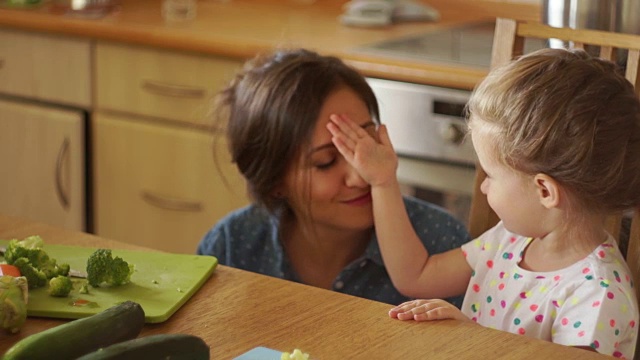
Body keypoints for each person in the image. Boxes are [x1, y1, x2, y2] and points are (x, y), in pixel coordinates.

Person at [327, 48, 640, 358]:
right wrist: (383, 181)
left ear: (544, 191)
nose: (483, 186)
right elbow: (415, 274)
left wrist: (472, 340)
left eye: (490, 174)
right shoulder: (510, 241)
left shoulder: (597, 294)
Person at [196, 48, 470, 306]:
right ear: (274, 182)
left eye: (366, 144)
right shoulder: (232, 247)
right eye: (325, 162)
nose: (361, 176)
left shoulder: (440, 241)